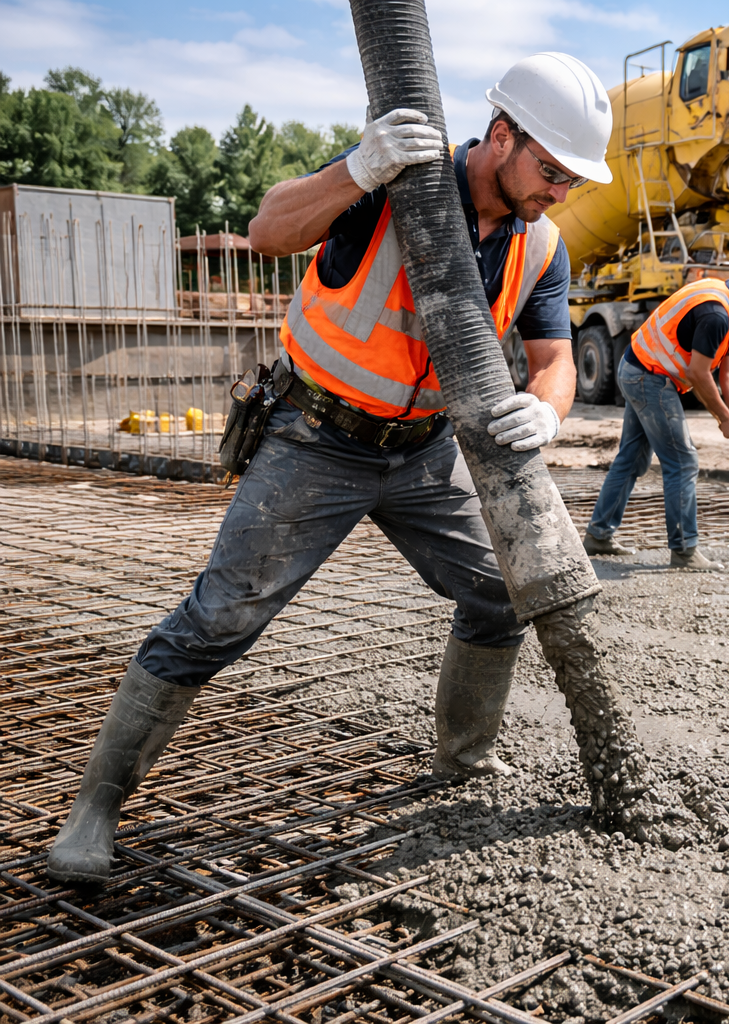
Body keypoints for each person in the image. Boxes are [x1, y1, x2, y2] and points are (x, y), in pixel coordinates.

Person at [46, 53, 616, 884]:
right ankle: (95, 808)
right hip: (316, 439)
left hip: (424, 451)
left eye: (572, 179)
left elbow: (555, 360)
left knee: (502, 591)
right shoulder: (397, 178)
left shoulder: (542, 246)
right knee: (219, 619)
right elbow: (267, 232)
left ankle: (464, 760)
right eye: (553, 171)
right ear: (502, 136)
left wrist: (551, 410)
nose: (560, 192)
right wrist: (357, 168)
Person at [583, 253, 729, 569]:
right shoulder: (716, 314)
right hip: (648, 376)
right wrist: (724, 419)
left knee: (632, 458)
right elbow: (699, 374)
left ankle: (598, 535)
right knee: (683, 461)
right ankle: (685, 551)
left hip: (639, 368)